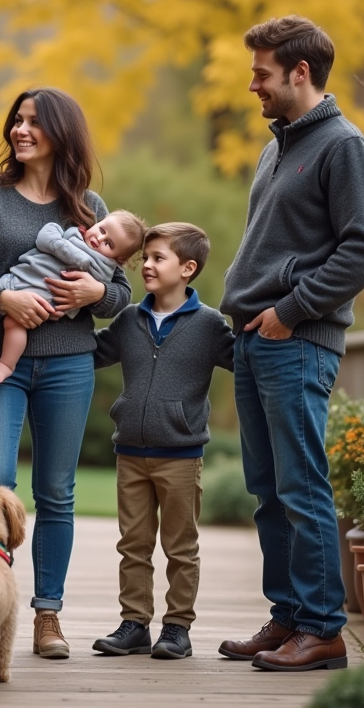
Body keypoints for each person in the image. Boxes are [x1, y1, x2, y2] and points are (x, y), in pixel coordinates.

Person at [218, 15, 364, 671]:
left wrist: (291, 310)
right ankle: (288, 617)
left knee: (302, 487)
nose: (252, 85)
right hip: (256, 339)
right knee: (268, 489)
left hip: (298, 339)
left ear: (299, 72)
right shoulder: (277, 146)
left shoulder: (344, 147)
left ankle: (322, 629)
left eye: (261, 73)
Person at [0, 86, 133, 659]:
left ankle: (47, 616)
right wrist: (7, 302)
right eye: (16, 121)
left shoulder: (90, 208)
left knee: (56, 492)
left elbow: (120, 295)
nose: (20, 131)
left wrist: (98, 289)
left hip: (69, 365)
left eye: (33, 123)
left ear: (61, 134)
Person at [90, 222, 235, 660]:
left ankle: (176, 629)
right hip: (130, 452)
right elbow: (93, 352)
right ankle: (133, 624)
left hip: (181, 455)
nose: (147, 266)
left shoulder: (209, 325)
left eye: (158, 258)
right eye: (146, 257)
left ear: (187, 268)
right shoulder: (130, 317)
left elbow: (247, 362)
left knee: (180, 547)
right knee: (132, 544)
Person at [0, 210, 146, 383]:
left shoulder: (103, 266)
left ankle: (6, 364)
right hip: (13, 281)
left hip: (41, 300)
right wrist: (66, 248)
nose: (99, 239)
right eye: (101, 229)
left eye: (109, 243)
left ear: (119, 258)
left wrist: (98, 292)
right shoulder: (73, 233)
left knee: (14, 324)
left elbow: (120, 292)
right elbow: (46, 236)